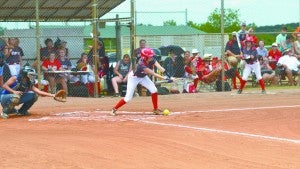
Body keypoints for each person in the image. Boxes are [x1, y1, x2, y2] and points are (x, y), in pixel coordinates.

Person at [111, 48, 173, 116]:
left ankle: (155, 109)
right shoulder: (141, 65)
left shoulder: (152, 59)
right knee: (128, 98)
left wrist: (169, 76)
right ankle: (114, 109)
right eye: (150, 56)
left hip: (143, 77)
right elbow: (153, 74)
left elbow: (160, 68)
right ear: (145, 57)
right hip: (133, 78)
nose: (151, 57)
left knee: (154, 90)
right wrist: (166, 79)